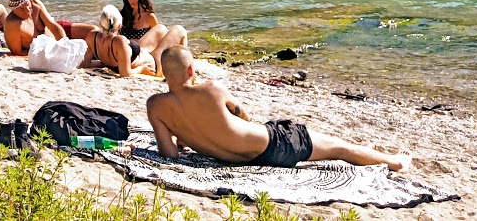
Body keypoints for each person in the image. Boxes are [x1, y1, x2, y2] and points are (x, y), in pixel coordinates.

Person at [147, 48, 411, 171]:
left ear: (164, 72)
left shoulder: (156, 106)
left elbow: (169, 153)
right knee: (339, 148)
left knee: (333, 148)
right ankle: (396, 161)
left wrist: (185, 136)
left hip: (239, 159)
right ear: (192, 70)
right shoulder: (211, 89)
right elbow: (244, 116)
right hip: (273, 146)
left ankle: (368, 152)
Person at [120, 0, 189, 65]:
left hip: (145, 53)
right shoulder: (121, 15)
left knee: (165, 31)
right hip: (131, 52)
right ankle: (185, 63)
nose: (132, 0)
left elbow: (158, 40)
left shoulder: (149, 17)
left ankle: (182, 61)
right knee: (164, 29)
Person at [0, 0, 66, 56]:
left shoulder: (36, 4)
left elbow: (53, 26)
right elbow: (17, 52)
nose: (27, 11)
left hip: (55, 40)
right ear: (13, 10)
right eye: (22, 9)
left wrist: (65, 44)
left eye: (28, 4)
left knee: (77, 30)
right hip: (44, 51)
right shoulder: (13, 23)